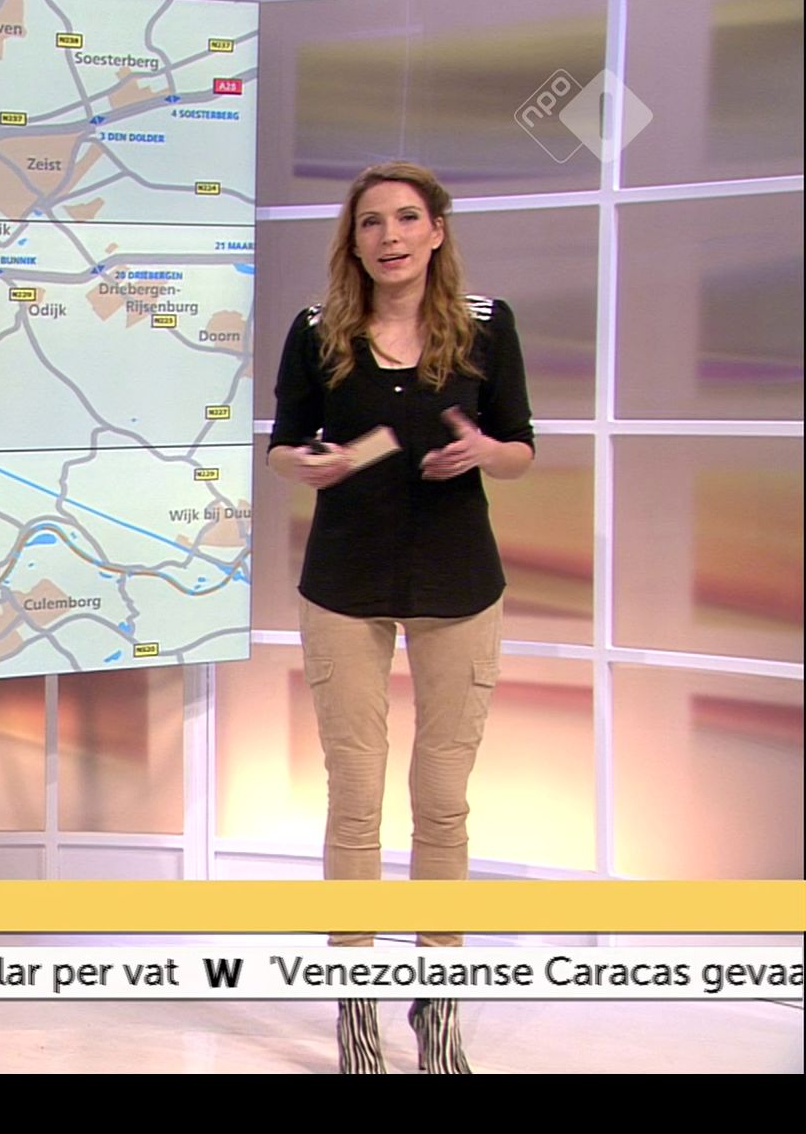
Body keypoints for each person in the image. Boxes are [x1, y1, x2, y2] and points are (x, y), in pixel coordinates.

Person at [266, 161, 535, 1074]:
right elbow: (282, 445)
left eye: (407, 218)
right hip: (345, 581)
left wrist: (485, 450)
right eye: (371, 221)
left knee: (442, 802)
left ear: (436, 232)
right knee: (354, 797)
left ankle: (439, 1003)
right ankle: (355, 1005)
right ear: (353, 239)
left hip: (459, 583)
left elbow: (521, 448)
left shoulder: (488, 326)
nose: (389, 236)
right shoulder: (317, 331)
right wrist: (307, 464)